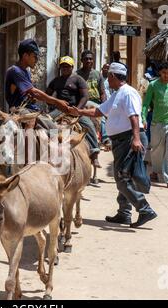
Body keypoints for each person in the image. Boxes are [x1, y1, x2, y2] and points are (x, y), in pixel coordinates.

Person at [64, 62, 158, 228]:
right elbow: (99, 111)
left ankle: (144, 209)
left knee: (122, 178)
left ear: (114, 76)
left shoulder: (127, 93)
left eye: (108, 77)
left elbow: (134, 117)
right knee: (123, 176)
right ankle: (124, 213)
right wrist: (78, 112)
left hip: (130, 139)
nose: (107, 80)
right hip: (122, 141)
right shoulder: (117, 94)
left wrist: (136, 139)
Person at [5, 39, 69, 129]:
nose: (37, 60)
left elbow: (28, 94)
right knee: (53, 130)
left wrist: (33, 99)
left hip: (31, 108)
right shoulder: (15, 71)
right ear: (25, 56)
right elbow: (34, 92)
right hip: (20, 110)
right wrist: (57, 102)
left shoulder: (26, 72)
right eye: (34, 56)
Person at [46, 56, 100, 159]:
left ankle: (94, 152)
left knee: (89, 126)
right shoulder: (56, 81)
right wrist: (51, 104)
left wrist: (78, 110)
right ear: (60, 68)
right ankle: (47, 149)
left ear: (72, 67)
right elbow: (47, 95)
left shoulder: (78, 79)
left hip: (76, 109)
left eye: (67, 66)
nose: (65, 68)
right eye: (63, 66)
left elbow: (85, 96)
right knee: (46, 122)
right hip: (59, 110)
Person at [142, 61, 168, 189]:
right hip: (156, 123)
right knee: (156, 150)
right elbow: (146, 104)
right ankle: (156, 171)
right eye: (164, 73)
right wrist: (143, 117)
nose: (166, 75)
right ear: (159, 72)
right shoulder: (153, 85)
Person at [76, 50, 107, 167]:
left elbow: (102, 92)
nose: (88, 61)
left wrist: (105, 106)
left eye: (90, 59)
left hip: (95, 102)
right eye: (86, 59)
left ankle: (105, 137)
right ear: (82, 60)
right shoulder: (77, 74)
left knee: (102, 117)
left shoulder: (97, 74)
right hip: (82, 103)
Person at [100, 63, 112, 149]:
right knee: (103, 119)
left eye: (108, 69)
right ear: (102, 69)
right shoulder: (99, 78)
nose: (106, 70)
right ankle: (105, 138)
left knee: (109, 120)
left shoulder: (110, 80)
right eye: (105, 68)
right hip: (101, 102)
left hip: (110, 102)